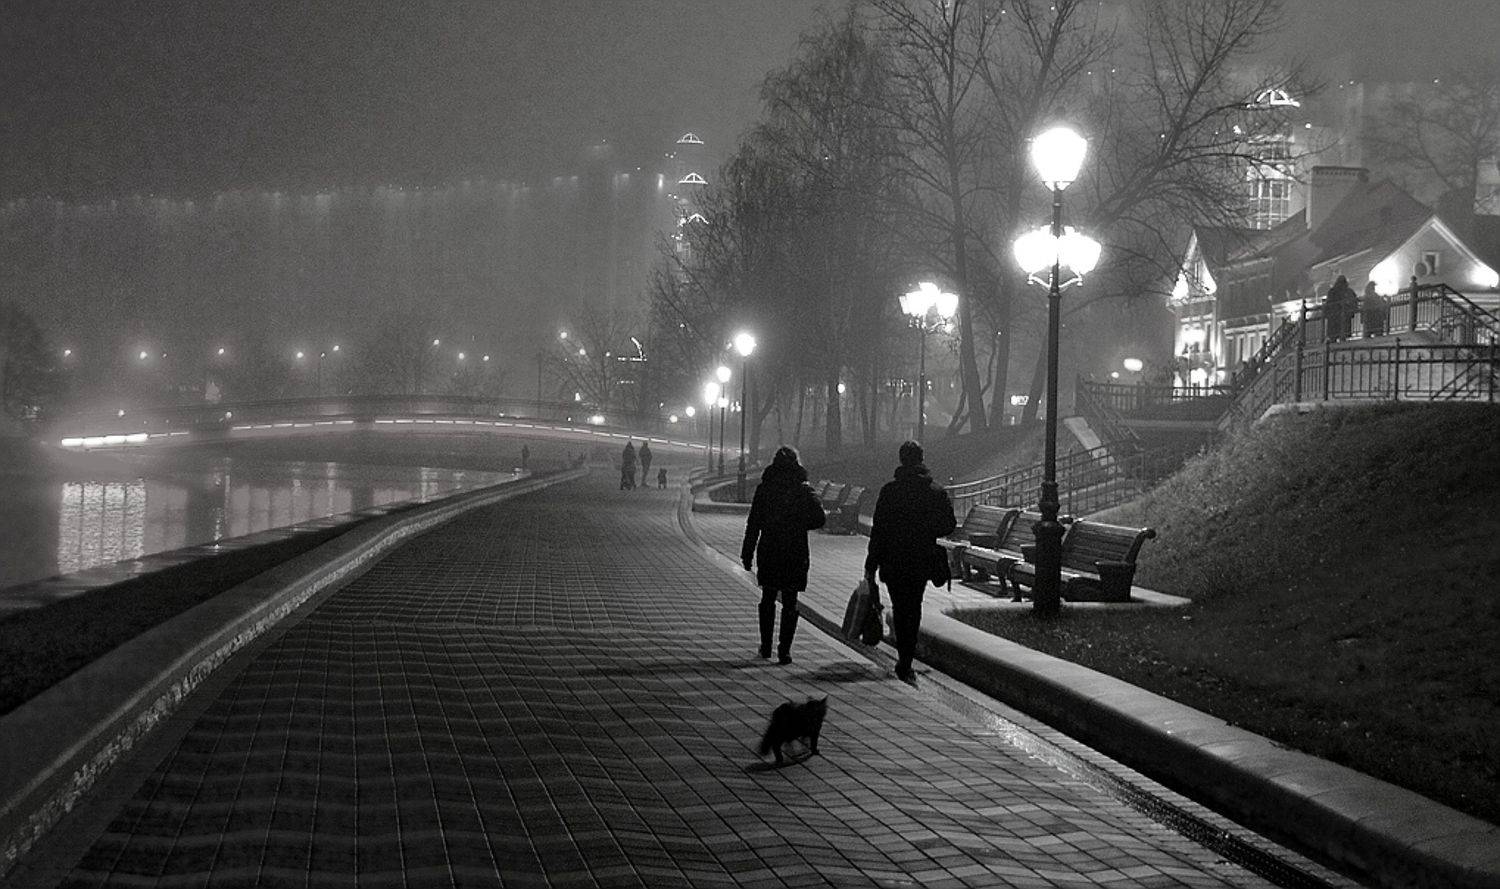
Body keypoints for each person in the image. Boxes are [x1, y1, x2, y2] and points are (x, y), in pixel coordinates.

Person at [864, 441, 957, 682]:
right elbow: (949, 524)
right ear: (921, 459)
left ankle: (903, 654)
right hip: (920, 557)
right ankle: (906, 660)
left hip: (893, 558)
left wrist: (871, 563)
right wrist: (927, 528)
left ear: (901, 460)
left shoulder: (890, 491)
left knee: (899, 605)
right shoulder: (935, 492)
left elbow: (879, 529)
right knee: (914, 606)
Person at [741, 446, 826, 664]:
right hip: (795, 550)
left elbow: (754, 522)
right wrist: (799, 523)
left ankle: (766, 646)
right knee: (790, 600)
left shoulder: (765, 489)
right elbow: (820, 519)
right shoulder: (803, 489)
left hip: (770, 549)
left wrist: (747, 552)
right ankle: (784, 650)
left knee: (768, 597)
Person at [1324, 275, 1357, 341]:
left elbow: (1329, 303)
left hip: (1334, 316)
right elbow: (1354, 300)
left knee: (1334, 334)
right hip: (1344, 315)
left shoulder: (1332, 291)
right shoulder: (1348, 291)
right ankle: (1342, 339)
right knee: (1343, 332)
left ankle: (1334, 340)